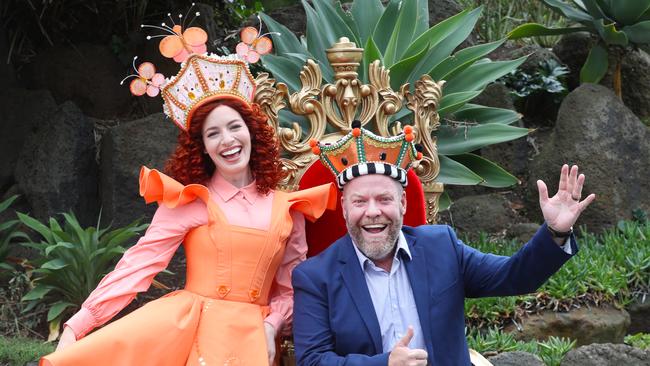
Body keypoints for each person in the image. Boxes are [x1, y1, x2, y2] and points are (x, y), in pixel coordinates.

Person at [40, 37, 336, 365]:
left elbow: (291, 287)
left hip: (252, 342)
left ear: (252, 131)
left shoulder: (287, 208)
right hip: (188, 333)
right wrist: (76, 326)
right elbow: (138, 265)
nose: (227, 140)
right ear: (202, 148)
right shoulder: (189, 200)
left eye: (234, 127)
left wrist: (271, 325)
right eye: (213, 134)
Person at [292, 122, 595, 365]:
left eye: (384, 199)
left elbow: (514, 276)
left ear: (403, 204)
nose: (372, 212)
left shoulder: (441, 247)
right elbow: (313, 360)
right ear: (344, 209)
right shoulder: (315, 277)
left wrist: (554, 231)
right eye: (360, 202)